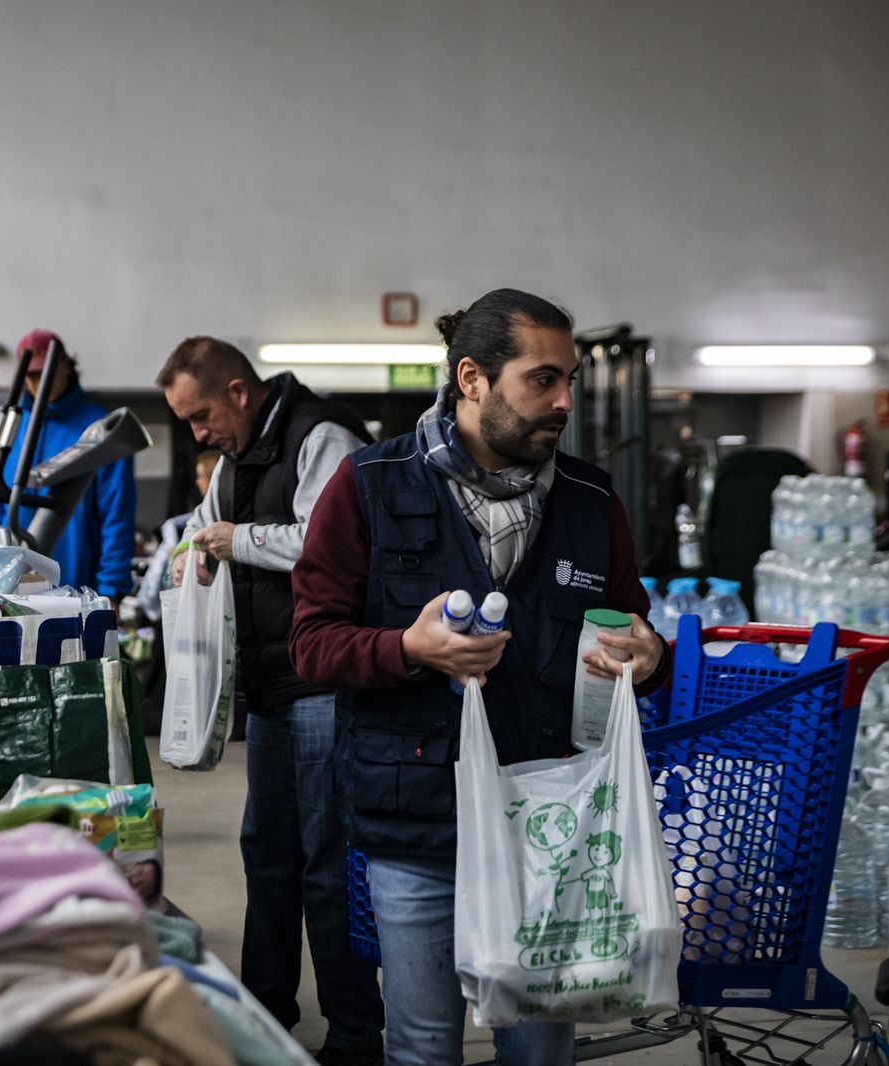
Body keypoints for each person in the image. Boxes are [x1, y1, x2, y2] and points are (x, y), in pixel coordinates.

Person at [289, 288, 672, 1066]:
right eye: (542, 380)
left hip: (552, 829)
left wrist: (650, 656)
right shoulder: (370, 485)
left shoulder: (592, 502)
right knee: (425, 1046)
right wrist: (408, 649)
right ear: (472, 379)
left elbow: (633, 628)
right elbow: (311, 644)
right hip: (418, 820)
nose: (564, 400)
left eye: (570, 380)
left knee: (539, 1051)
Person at [155, 337, 384, 1066]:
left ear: (238, 392)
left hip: (322, 680)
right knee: (267, 853)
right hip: (271, 685)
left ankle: (354, 1032)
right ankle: (263, 1013)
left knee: (327, 860)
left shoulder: (323, 435)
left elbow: (330, 543)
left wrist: (232, 539)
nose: (197, 434)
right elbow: (201, 532)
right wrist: (194, 550)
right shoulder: (234, 461)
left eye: (199, 417)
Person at [0, 329, 137, 602]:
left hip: (77, 584)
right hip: (10, 586)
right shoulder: (13, 429)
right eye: (32, 375)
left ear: (66, 365)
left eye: (47, 372)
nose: (40, 383)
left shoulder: (98, 428)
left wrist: (111, 589)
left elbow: (117, 513)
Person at [139, 448, 221, 622]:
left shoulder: (219, 516)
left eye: (201, 476)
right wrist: (180, 550)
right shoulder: (200, 513)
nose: (198, 482)